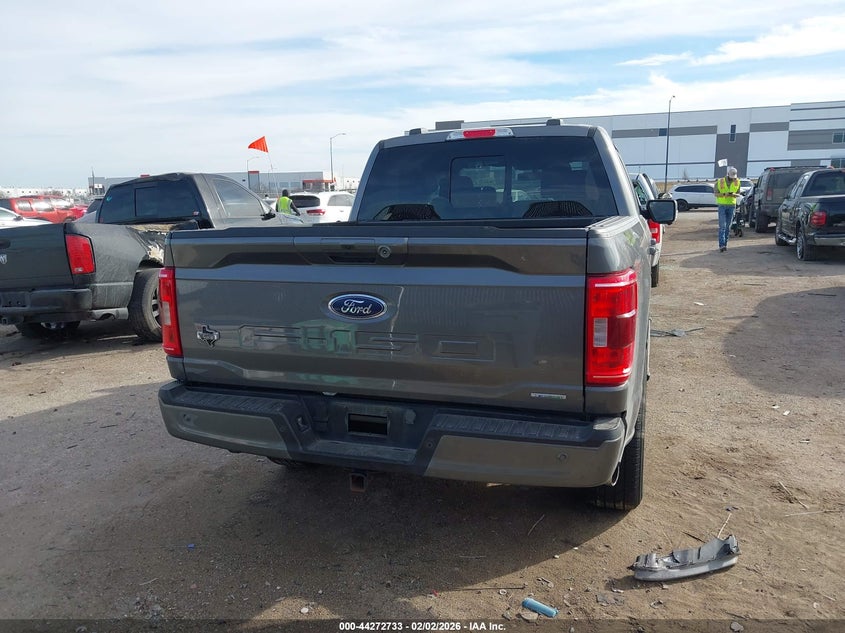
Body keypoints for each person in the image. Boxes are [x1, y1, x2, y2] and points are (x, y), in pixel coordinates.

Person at [715, 167, 741, 252]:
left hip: (732, 205)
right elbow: (716, 193)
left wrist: (734, 194)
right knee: (722, 226)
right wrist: (723, 194)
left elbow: (738, 193)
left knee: (728, 227)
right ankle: (722, 245)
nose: (733, 179)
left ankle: (725, 244)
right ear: (728, 174)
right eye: (731, 177)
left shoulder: (737, 181)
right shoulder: (720, 181)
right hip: (722, 205)